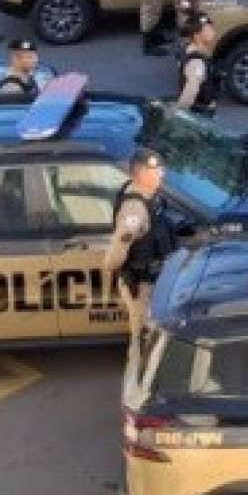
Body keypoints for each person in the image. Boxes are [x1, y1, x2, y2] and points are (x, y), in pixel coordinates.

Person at [102, 148, 171, 350]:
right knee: (143, 334)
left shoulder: (147, 196)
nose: (161, 174)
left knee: (152, 332)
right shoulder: (135, 208)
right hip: (141, 284)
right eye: (157, 171)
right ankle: (138, 373)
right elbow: (120, 244)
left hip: (151, 280)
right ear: (141, 174)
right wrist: (111, 266)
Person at [176, 13, 220, 115]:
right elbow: (190, 93)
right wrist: (178, 116)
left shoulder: (189, 51)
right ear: (197, 36)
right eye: (208, 30)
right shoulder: (197, 62)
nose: (213, 32)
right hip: (199, 116)